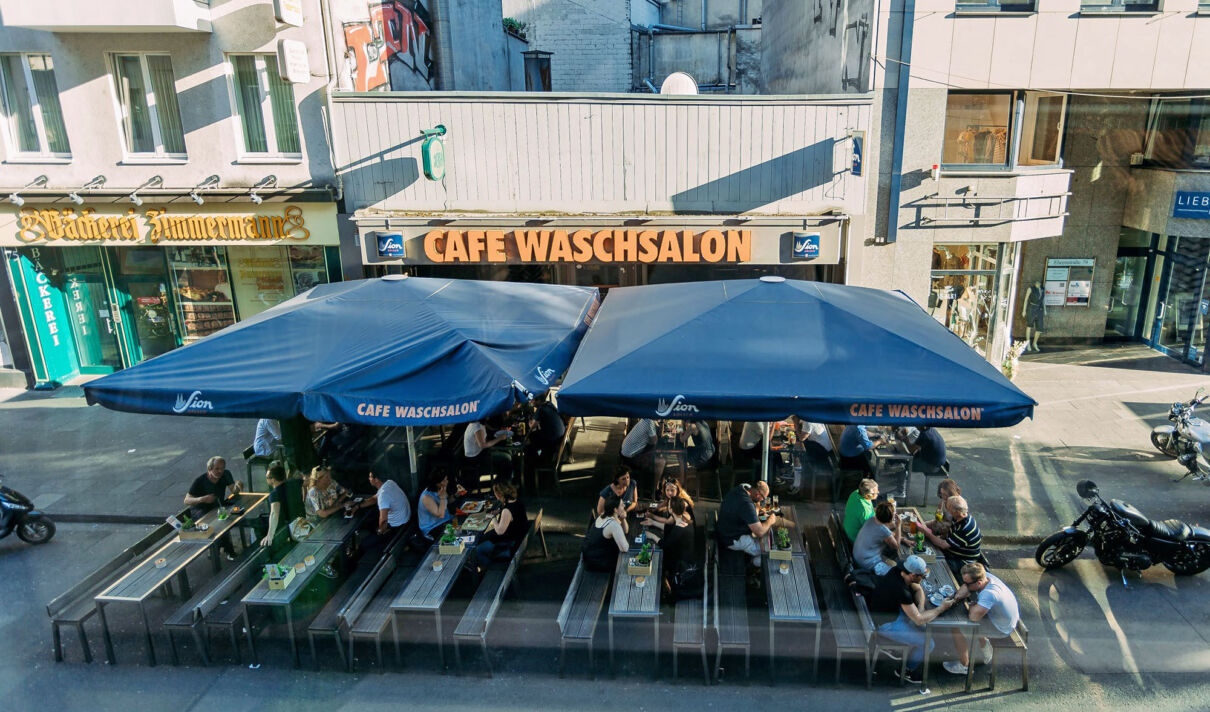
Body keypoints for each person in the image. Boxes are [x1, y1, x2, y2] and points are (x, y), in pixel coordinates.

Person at [862, 555, 958, 684]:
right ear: (913, 575)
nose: (923, 578)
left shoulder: (898, 571)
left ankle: (907, 651)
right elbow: (918, 619)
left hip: (887, 612)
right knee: (929, 643)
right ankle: (907, 671)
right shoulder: (901, 590)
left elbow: (918, 589)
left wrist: (920, 607)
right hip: (886, 624)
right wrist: (941, 608)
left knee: (924, 626)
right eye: (922, 576)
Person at [943, 563, 1021, 675]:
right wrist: (956, 598)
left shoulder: (989, 594)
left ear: (978, 583)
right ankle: (985, 648)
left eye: (967, 583)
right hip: (1005, 619)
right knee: (976, 615)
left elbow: (973, 617)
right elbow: (966, 589)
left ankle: (963, 665)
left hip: (1001, 628)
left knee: (957, 626)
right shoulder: (985, 576)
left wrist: (972, 606)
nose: (964, 585)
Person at [184, 456, 242, 560]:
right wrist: (202, 499)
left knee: (226, 519)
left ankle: (222, 548)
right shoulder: (200, 481)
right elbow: (187, 500)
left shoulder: (226, 474)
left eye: (222, 468)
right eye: (217, 469)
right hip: (200, 510)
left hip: (217, 507)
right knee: (217, 523)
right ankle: (223, 549)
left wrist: (238, 487)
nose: (220, 471)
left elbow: (234, 490)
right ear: (209, 469)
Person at [716, 481, 778, 568]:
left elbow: (750, 510)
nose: (763, 500)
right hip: (731, 538)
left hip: (725, 528)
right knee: (767, 551)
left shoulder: (742, 487)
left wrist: (756, 508)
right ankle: (753, 564)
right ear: (758, 494)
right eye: (763, 498)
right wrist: (771, 520)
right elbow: (759, 532)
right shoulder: (746, 503)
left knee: (761, 539)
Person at [922, 495, 983, 577]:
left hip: (962, 561)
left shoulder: (965, 528)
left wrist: (926, 532)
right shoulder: (958, 517)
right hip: (953, 552)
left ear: (956, 512)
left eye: (948, 508)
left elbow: (943, 545)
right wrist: (923, 525)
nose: (946, 509)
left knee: (933, 565)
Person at [650, 498, 699, 600]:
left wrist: (652, 536)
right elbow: (669, 529)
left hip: (680, 563)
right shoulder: (684, 519)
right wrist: (652, 522)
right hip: (686, 556)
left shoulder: (678, 529)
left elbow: (664, 544)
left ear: (671, 510)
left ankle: (664, 588)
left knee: (656, 559)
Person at [473, 480, 528, 569]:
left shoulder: (507, 510)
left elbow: (499, 531)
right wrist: (499, 511)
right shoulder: (517, 501)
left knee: (477, 550)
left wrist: (493, 517)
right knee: (482, 539)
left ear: (499, 494)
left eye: (495, 492)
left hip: (509, 544)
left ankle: (490, 569)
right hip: (516, 537)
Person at [362, 470, 411, 555]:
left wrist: (380, 532)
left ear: (376, 479)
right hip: (406, 518)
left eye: (370, 477)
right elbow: (375, 497)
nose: (369, 479)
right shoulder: (389, 483)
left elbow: (383, 520)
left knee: (364, 545)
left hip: (396, 527)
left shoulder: (383, 495)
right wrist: (359, 505)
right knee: (369, 521)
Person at [524, 400, 565, 492]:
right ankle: (534, 457)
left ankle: (530, 469)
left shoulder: (540, 409)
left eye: (532, 399)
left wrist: (530, 421)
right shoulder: (549, 404)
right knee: (533, 438)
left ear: (536, 400)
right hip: (558, 437)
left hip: (552, 441)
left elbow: (532, 426)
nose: (530, 401)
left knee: (530, 443)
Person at [259, 461, 304, 547]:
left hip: (289, 527)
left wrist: (270, 535)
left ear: (273, 479)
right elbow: (307, 482)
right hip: (301, 518)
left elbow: (274, 514)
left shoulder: (274, 494)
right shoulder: (295, 482)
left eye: (267, 477)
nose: (266, 479)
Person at [582, 493, 630, 572]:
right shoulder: (613, 524)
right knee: (626, 566)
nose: (624, 506)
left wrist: (623, 518)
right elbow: (625, 548)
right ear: (615, 510)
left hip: (589, 558)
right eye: (622, 505)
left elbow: (625, 531)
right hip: (598, 563)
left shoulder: (603, 515)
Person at [853, 500, 901, 575]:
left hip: (858, 556)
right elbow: (896, 546)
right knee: (896, 574)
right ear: (890, 518)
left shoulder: (872, 519)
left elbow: (887, 532)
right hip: (868, 563)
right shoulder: (883, 531)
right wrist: (898, 526)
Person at [462, 417, 512, 489]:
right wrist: (500, 438)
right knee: (506, 459)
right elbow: (482, 445)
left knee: (505, 456)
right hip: (475, 458)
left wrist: (500, 430)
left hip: (479, 454)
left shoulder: (478, 424)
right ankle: (501, 487)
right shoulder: (476, 426)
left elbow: (490, 429)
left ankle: (500, 484)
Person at [620, 418, 666, 492]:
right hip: (630, 457)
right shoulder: (649, 422)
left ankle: (651, 485)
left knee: (655, 454)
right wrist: (661, 424)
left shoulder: (646, 419)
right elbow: (654, 441)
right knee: (661, 462)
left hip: (626, 452)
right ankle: (654, 490)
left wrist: (661, 423)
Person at [417, 470, 454, 541]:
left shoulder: (441, 489)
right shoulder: (426, 497)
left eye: (446, 479)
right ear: (437, 483)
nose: (447, 481)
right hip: (433, 527)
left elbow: (445, 504)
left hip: (446, 521)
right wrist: (442, 498)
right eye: (444, 480)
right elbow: (440, 515)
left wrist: (456, 495)